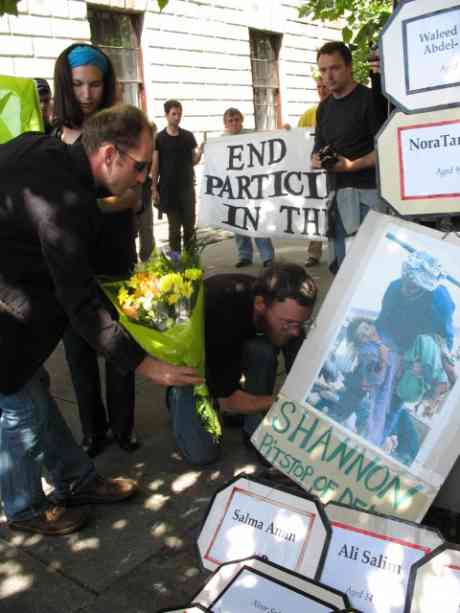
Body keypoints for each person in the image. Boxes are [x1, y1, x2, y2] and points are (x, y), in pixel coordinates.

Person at [0, 105, 201, 536]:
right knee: (16, 405)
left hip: (18, 297)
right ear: (109, 154)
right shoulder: (62, 200)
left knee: (29, 386)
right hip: (8, 307)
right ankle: (23, 508)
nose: (145, 178)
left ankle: (75, 479)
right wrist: (149, 365)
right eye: (141, 166)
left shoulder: (50, 154)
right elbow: (80, 301)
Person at [53, 43, 140, 455]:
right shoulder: (57, 134)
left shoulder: (121, 131)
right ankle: (94, 431)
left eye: (94, 84)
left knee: (121, 345)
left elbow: (131, 199)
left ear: (106, 86)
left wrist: (77, 206)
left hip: (117, 255)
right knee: (79, 351)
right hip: (72, 262)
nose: (86, 94)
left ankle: (124, 428)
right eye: (78, 85)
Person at [167, 263, 317, 465]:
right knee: (202, 455)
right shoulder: (218, 311)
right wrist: (284, 404)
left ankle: (254, 431)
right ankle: (177, 396)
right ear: (260, 304)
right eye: (288, 323)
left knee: (262, 351)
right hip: (194, 367)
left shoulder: (287, 314)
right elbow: (228, 400)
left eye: (301, 323)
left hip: (231, 354)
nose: (295, 332)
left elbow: (301, 372)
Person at [311, 41, 386, 270]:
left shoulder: (372, 100)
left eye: (334, 68)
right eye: (323, 70)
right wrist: (317, 159)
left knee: (368, 269)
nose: (328, 76)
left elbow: (386, 150)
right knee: (341, 270)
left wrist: (352, 165)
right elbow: (318, 147)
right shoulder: (323, 108)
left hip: (368, 197)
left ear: (349, 67)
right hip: (335, 198)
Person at [222, 107, 275, 269]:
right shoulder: (220, 142)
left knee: (258, 221)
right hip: (234, 189)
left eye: (236, 119)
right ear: (225, 123)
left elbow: (270, 140)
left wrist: (285, 132)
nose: (234, 123)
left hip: (252, 188)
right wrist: (205, 148)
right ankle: (244, 255)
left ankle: (267, 256)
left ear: (241, 121)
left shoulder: (251, 135)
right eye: (230, 121)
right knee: (239, 223)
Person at [152, 99, 203, 253]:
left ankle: (191, 261)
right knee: (174, 230)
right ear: (166, 115)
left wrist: (200, 151)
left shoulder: (188, 136)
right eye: (174, 114)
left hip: (187, 188)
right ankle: (175, 263)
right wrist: (154, 187)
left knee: (189, 228)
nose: (177, 117)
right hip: (168, 190)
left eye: (179, 114)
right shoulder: (159, 138)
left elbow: (193, 161)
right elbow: (155, 165)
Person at [298, 77, 330, 268]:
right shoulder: (310, 113)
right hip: (315, 173)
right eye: (318, 87)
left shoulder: (339, 109)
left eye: (323, 86)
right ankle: (314, 253)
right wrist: (286, 131)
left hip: (335, 169)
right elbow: (297, 138)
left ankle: (338, 253)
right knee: (315, 211)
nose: (321, 90)